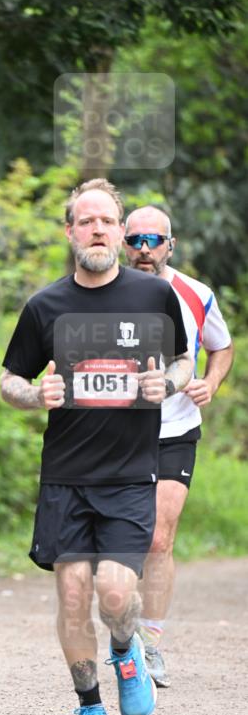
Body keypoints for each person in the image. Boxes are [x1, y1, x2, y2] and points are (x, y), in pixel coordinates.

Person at [0, 179, 192, 715]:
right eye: (86, 222)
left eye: (107, 221)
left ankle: (126, 646)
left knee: (113, 593)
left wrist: (169, 383)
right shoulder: (45, 306)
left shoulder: (153, 297)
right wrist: (37, 396)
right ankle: (89, 711)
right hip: (65, 474)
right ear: (70, 232)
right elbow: (10, 380)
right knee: (73, 592)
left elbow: (184, 360)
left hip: (131, 472)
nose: (98, 230)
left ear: (120, 228)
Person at [124, 206, 233, 687]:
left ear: (172, 244)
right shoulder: (99, 291)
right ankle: (119, 630)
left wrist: (211, 381)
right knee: (119, 539)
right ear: (124, 244)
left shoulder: (196, 294)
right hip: (114, 434)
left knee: (158, 538)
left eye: (154, 239)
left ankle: (149, 645)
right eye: (135, 240)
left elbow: (222, 346)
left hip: (174, 429)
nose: (144, 248)